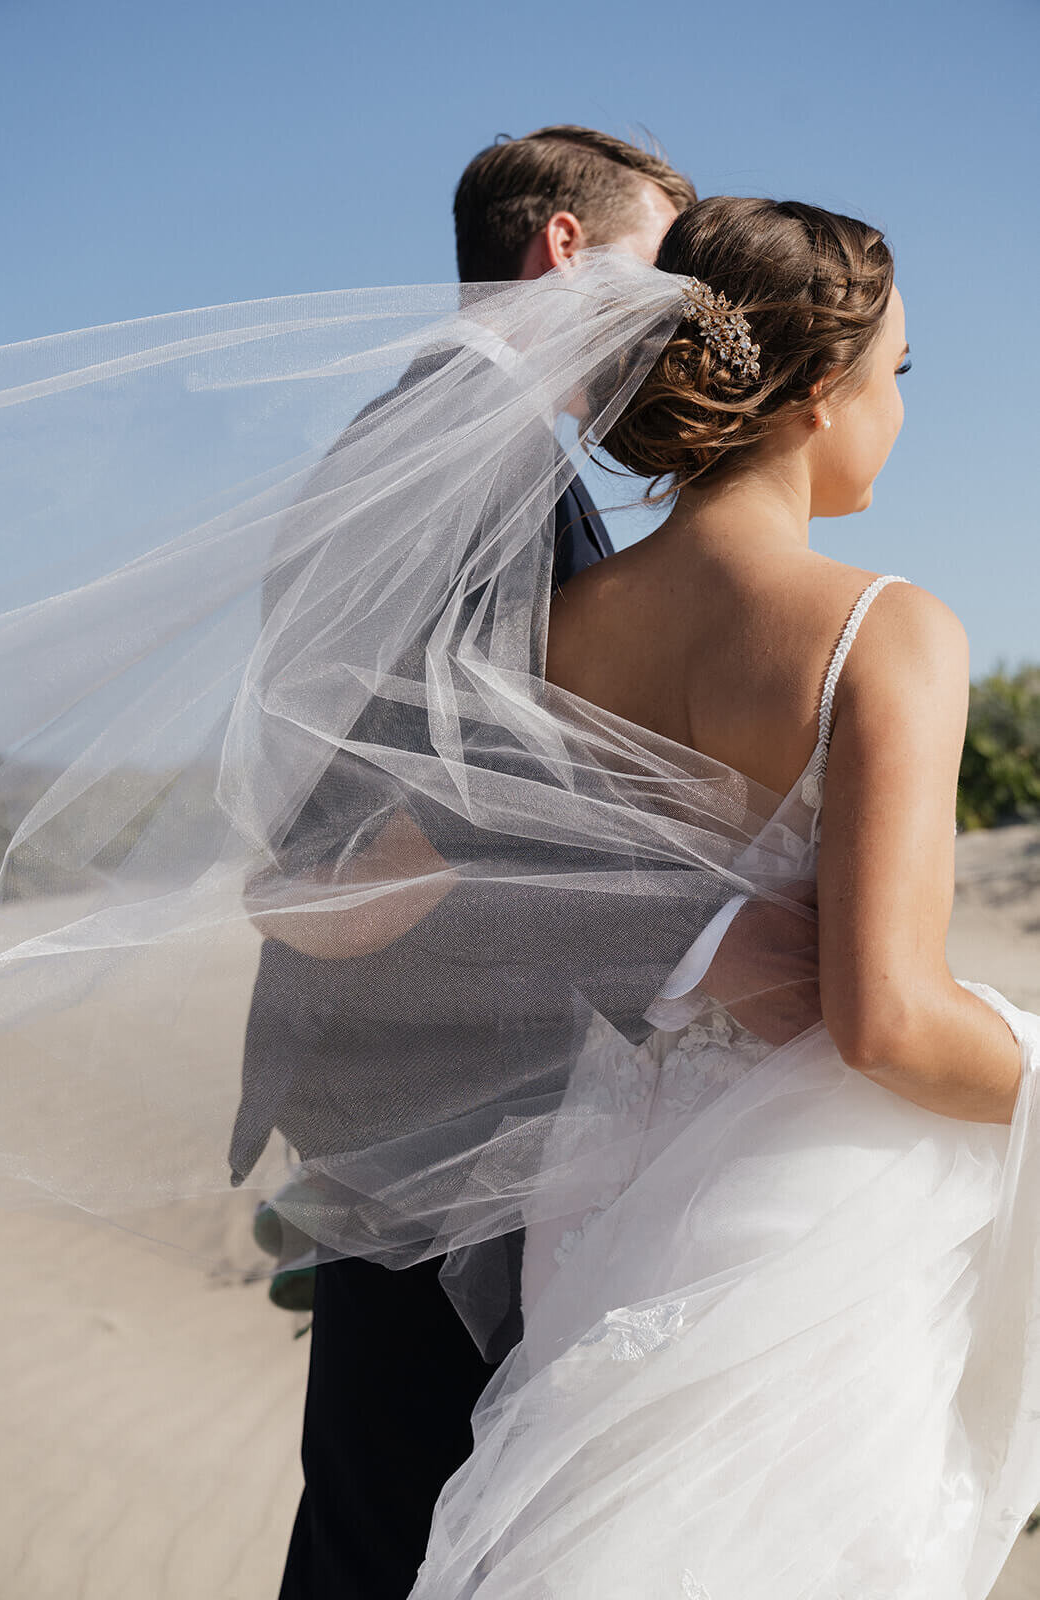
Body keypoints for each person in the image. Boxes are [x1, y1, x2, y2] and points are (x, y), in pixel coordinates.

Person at [402, 198, 1036, 1597]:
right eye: (900, 375)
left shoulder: (555, 632)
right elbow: (886, 1022)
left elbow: (500, 900)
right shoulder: (889, 630)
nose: (904, 414)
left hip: (599, 1185)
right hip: (805, 1216)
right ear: (818, 393)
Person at [233, 128, 820, 1600]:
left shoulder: (453, 437)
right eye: (662, 265)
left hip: (414, 1057)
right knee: (405, 1519)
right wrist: (706, 920)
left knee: (412, 1508)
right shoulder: (472, 450)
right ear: (565, 250)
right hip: (432, 1079)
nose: (688, 310)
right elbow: (450, 790)